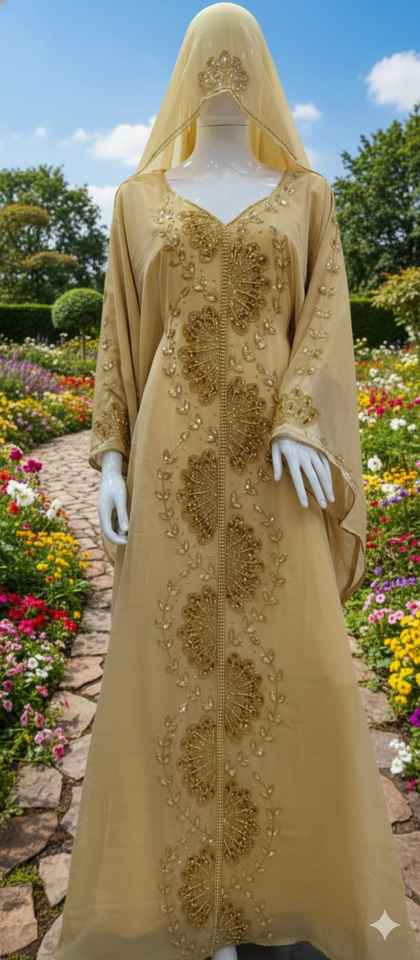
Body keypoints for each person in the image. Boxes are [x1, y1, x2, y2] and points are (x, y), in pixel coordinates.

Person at [55, 4, 419, 960]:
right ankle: (189, 905)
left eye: (237, 57)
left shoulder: (308, 194)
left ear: (259, 69)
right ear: (186, 70)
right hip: (170, 458)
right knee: (171, 663)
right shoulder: (137, 199)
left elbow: (326, 315)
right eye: (206, 58)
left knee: (293, 663)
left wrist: (301, 418)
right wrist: (110, 457)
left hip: (277, 463)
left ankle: (289, 892)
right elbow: (120, 335)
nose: (222, 73)